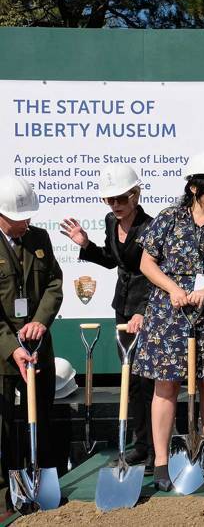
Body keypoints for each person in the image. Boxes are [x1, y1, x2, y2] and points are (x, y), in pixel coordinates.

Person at [132, 153, 204, 491]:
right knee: (165, 386)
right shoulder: (168, 219)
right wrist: (172, 289)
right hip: (169, 316)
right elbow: (146, 263)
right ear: (194, 186)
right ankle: (160, 463)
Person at [59, 164, 155, 473]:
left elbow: (158, 275)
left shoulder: (151, 227)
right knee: (132, 383)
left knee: (148, 382)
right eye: (109, 200)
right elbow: (114, 261)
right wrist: (86, 245)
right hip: (123, 310)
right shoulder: (110, 222)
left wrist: (143, 311)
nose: (115, 205)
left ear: (135, 195)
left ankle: (156, 448)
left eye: (121, 199)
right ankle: (141, 446)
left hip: (147, 311)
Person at [0, 176, 62, 512]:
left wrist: (40, 320)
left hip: (39, 351)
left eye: (28, 216)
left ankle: (43, 484)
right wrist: (12, 347)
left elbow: (54, 281)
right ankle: (6, 495)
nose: (26, 223)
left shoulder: (40, 238)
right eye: (18, 218)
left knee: (42, 419)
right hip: (4, 356)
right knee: (5, 427)